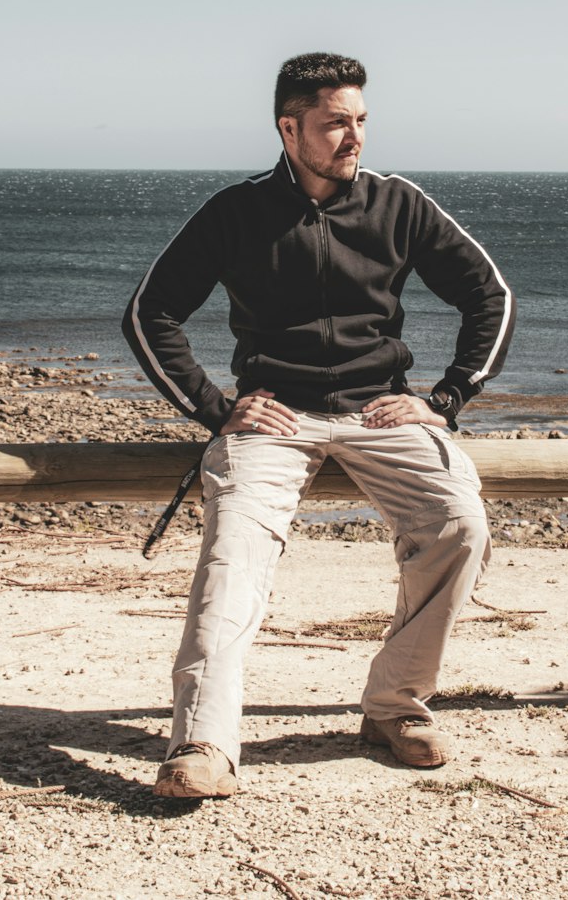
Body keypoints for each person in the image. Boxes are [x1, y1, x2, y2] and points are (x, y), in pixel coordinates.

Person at [122, 51, 515, 799]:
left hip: (381, 408)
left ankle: (395, 706)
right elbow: (151, 311)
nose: (354, 137)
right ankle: (204, 740)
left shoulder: (399, 204)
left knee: (460, 523)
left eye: (361, 121)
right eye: (336, 123)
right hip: (274, 416)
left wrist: (448, 396)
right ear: (289, 127)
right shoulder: (236, 213)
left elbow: (489, 295)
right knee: (233, 550)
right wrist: (215, 407)